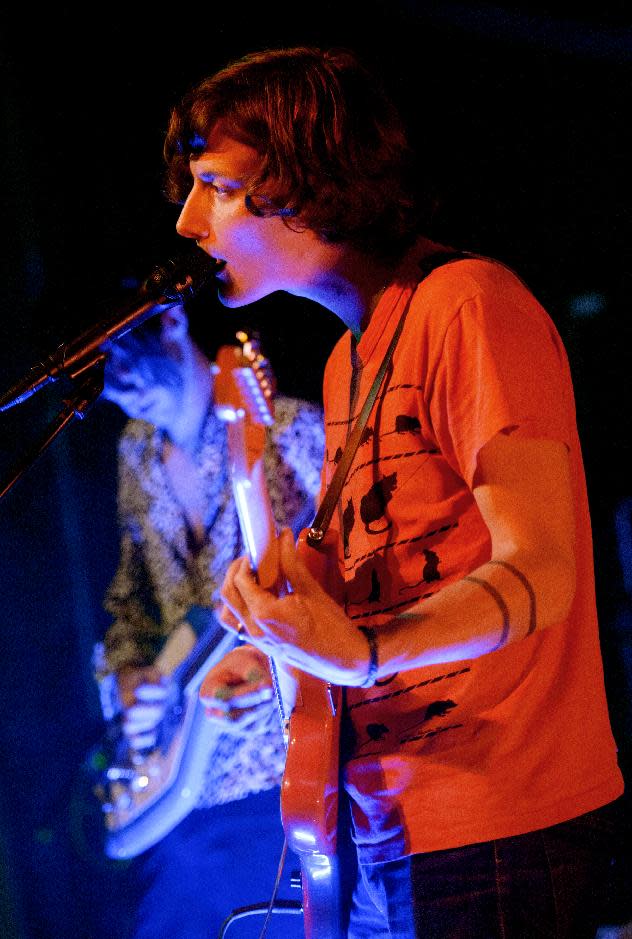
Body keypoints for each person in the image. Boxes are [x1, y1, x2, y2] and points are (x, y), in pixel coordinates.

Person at [162, 46, 628, 938]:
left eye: (216, 184)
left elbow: (545, 569)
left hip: (498, 822)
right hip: (383, 830)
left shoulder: (469, 305)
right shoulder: (349, 360)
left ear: (309, 177)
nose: (188, 221)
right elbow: (392, 575)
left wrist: (363, 653)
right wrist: (281, 647)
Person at [94, 301, 325, 939]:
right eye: (94, 375)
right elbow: (130, 608)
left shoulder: (291, 434)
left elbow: (364, 587)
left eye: (115, 359)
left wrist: (279, 667)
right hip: (185, 789)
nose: (111, 386)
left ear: (167, 321)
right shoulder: (135, 455)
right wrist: (131, 680)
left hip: (286, 774)